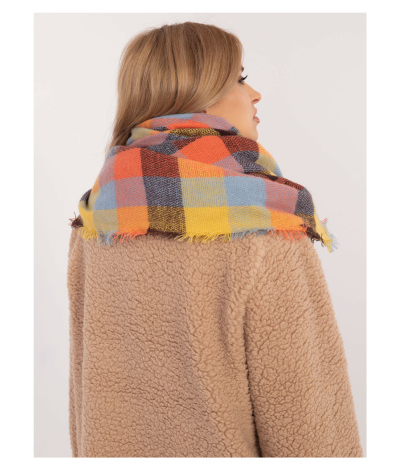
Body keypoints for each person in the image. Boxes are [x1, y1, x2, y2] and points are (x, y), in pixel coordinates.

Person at [67, 21, 363, 458]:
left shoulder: (97, 216)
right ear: (196, 92)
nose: (255, 93)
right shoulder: (266, 223)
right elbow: (307, 417)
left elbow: (86, 398)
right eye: (240, 78)